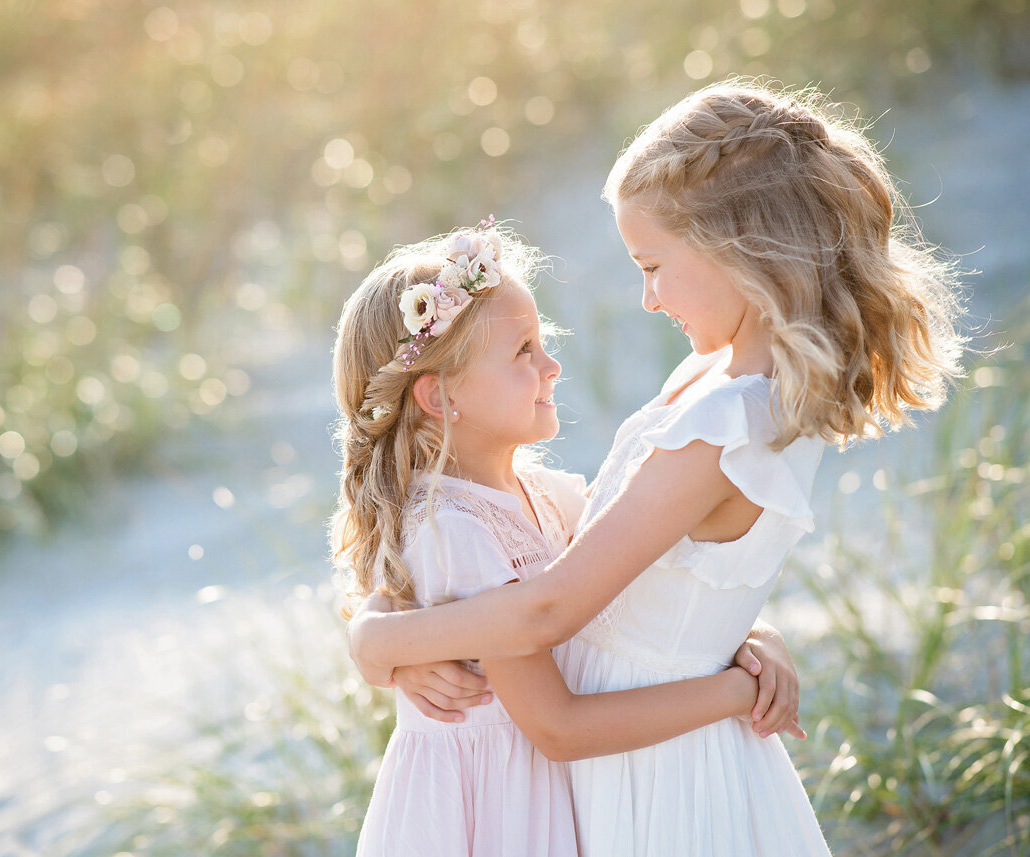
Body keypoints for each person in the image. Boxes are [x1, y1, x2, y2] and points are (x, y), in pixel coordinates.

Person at [347, 81, 967, 856]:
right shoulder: (712, 384)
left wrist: (379, 644)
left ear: (734, 248)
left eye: (653, 264)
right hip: (628, 762)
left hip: (660, 779)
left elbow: (552, 609)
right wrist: (383, 632)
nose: (646, 298)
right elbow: (662, 574)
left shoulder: (727, 423)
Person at [331, 218, 804, 857]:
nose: (552, 365)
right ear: (440, 397)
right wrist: (734, 689)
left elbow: (636, 595)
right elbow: (557, 723)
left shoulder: (554, 497)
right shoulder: (453, 531)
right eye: (523, 351)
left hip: (557, 796)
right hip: (492, 814)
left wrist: (747, 636)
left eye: (542, 341)